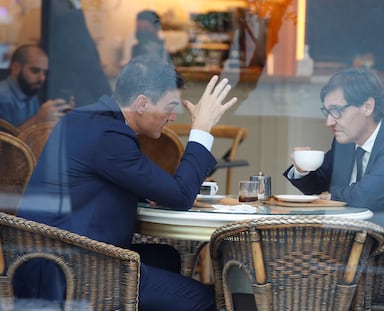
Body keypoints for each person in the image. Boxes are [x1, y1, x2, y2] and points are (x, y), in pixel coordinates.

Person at [14, 55, 238, 310]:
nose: (173, 116)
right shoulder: (109, 134)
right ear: (142, 104)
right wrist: (202, 129)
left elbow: (93, 183)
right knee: (208, 301)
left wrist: (149, 193)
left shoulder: (84, 119)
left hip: (43, 263)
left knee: (165, 257)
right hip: (73, 276)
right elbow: (181, 195)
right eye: (169, 106)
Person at [283, 67, 384, 241]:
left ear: (367, 107)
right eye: (327, 112)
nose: (329, 122)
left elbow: (367, 196)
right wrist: (302, 169)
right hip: (347, 242)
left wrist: (331, 197)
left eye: (337, 110)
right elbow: (318, 185)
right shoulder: (345, 141)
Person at [44, 0, 112, 106]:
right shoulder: (67, 12)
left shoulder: (63, 7)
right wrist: (108, 99)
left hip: (65, 87)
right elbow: (85, 59)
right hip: (74, 90)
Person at [0, 44, 73, 131]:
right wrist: (38, 119)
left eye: (45, 73)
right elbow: (3, 143)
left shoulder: (29, 91)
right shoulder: (3, 97)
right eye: (35, 71)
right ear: (16, 68)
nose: (42, 78)